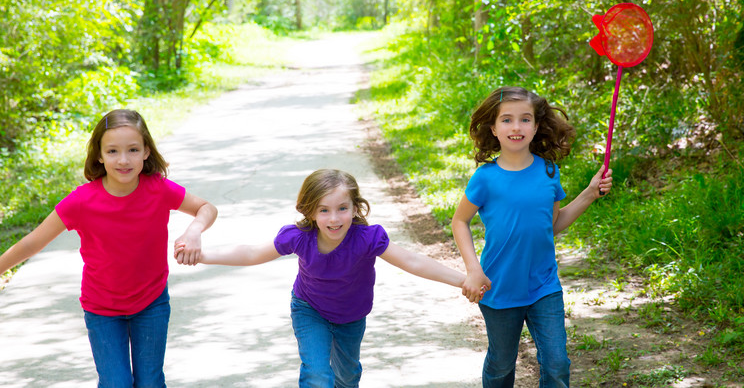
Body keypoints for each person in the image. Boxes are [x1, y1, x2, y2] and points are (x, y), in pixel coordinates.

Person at [175, 168, 467, 388]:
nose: (334, 219)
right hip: (309, 309)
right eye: (323, 210)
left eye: (342, 208)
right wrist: (203, 255)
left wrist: (461, 279)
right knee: (317, 373)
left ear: (355, 207)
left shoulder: (367, 238)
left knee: (348, 373)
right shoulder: (299, 238)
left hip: (352, 315)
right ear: (310, 211)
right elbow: (251, 253)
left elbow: (413, 261)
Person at [0, 109, 218, 387]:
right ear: (100, 155)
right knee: (116, 383)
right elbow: (33, 241)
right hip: (102, 308)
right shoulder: (81, 201)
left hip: (151, 303)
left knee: (150, 382)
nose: (124, 160)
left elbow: (206, 208)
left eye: (133, 150)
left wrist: (194, 230)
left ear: (146, 152)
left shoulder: (159, 189)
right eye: (113, 151)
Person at [451, 86, 613, 388]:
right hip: (498, 288)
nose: (516, 127)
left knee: (556, 363)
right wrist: (474, 269)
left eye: (525, 119)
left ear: (536, 126)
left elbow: (551, 223)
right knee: (501, 365)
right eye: (507, 120)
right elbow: (460, 221)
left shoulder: (549, 172)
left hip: (543, 285)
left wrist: (590, 194)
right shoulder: (485, 178)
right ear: (494, 128)